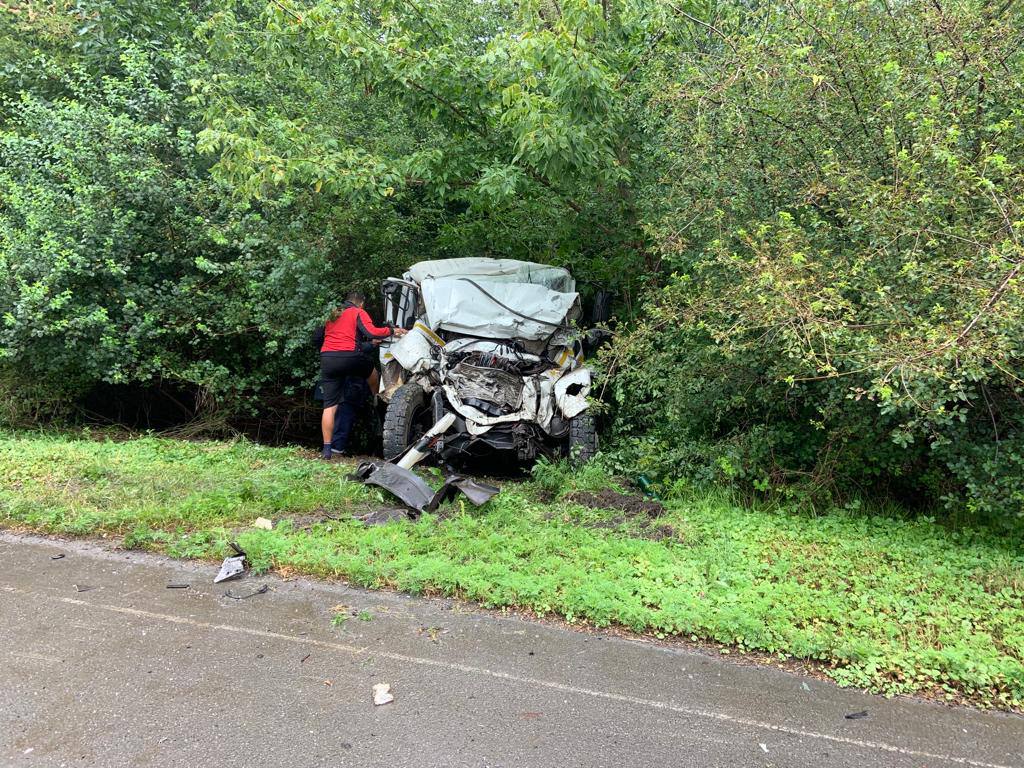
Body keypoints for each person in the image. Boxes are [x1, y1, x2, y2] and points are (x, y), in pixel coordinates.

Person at [318, 290, 406, 459]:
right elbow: (372, 332)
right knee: (372, 372)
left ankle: (327, 451)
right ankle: (377, 398)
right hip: (350, 357)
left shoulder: (333, 314)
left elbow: (317, 336)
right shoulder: (358, 312)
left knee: (329, 407)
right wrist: (392, 331)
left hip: (328, 358)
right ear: (361, 303)